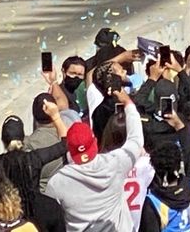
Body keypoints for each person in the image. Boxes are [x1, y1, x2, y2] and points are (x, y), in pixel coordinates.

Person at [46, 98, 147, 232]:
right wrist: (128, 103)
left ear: (69, 149)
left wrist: (56, 118)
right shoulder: (115, 164)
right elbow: (136, 139)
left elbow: (52, 218)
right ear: (95, 141)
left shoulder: (56, 183)